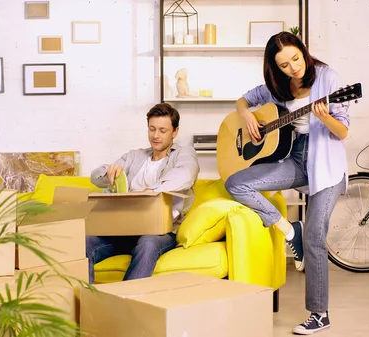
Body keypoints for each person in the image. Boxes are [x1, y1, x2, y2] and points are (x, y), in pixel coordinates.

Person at [224, 32, 350, 335]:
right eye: (284, 65)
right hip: (296, 159)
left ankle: (319, 314)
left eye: (296, 59)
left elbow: (343, 131)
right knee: (236, 182)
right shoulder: (276, 88)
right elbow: (243, 101)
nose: (293, 68)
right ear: (275, 68)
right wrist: (248, 117)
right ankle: (288, 228)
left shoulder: (328, 78)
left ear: (303, 53)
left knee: (315, 239)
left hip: (326, 165)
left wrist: (325, 116)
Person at [86, 103, 200, 284]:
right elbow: (95, 179)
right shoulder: (135, 156)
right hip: (124, 230)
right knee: (86, 242)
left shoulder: (183, 153)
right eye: (152, 129)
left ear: (175, 132)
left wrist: (151, 192)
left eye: (163, 130)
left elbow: (186, 174)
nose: (155, 136)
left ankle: (125, 303)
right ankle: (86, 300)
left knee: (147, 243)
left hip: (159, 231)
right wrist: (108, 170)